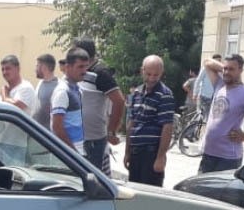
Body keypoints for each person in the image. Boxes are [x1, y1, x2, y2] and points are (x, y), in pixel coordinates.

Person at [72, 38, 126, 176]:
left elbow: (119, 101)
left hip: (93, 141)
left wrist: (111, 131)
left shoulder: (101, 73)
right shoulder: (79, 73)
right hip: (78, 139)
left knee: (92, 179)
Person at [123, 55, 176, 187]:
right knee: (134, 191)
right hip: (136, 152)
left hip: (151, 153)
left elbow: (167, 127)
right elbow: (131, 123)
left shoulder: (165, 94)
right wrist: (127, 152)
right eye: (148, 74)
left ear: (161, 73)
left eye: (156, 75)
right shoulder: (137, 92)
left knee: (149, 192)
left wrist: (160, 157)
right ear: (142, 71)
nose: (152, 78)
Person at [0, 54, 37, 163]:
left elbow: (15, 106)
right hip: (2, 142)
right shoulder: (9, 90)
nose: (5, 72)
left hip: (16, 144)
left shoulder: (25, 88)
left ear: (18, 69)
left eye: (8, 68)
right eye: (3, 69)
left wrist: (4, 95)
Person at [50, 48, 88, 156]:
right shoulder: (63, 91)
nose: (84, 71)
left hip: (79, 149)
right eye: (80, 67)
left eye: (86, 66)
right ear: (67, 67)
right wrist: (74, 154)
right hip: (68, 154)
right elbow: (57, 127)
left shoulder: (77, 88)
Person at [33, 53, 58, 128]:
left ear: (44, 67)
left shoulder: (57, 87)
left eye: (37, 66)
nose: (35, 70)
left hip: (47, 132)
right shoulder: (41, 82)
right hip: (37, 128)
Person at [196, 53, 222, 120]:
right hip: (205, 96)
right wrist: (195, 93)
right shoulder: (205, 69)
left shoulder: (220, 72)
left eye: (219, 61)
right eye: (217, 61)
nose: (218, 63)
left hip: (215, 98)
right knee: (206, 117)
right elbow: (198, 80)